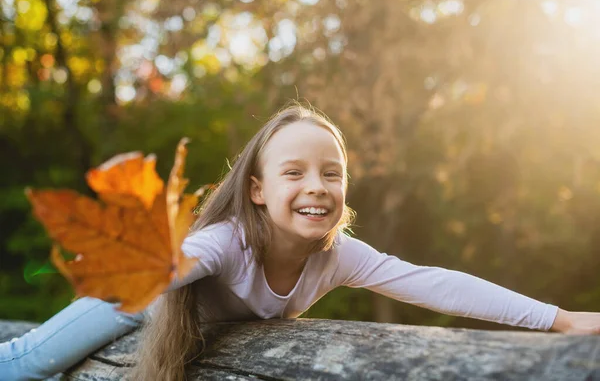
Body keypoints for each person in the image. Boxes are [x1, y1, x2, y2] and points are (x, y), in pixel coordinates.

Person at [1, 104, 599, 381]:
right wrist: (147, 260)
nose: (318, 187)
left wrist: (558, 319)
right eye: (295, 173)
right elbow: (165, 272)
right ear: (257, 190)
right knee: (28, 362)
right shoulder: (223, 242)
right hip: (127, 307)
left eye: (332, 173)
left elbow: (435, 283)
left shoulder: (337, 254)